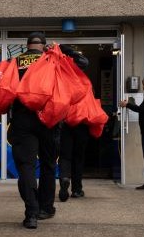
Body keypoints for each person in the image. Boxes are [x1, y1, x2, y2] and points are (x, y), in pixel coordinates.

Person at [10, 32, 57, 229]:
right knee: (48, 164)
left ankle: (31, 214)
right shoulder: (53, 60)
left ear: (26, 46)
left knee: (26, 167)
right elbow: (82, 64)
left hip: (22, 120)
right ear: (44, 45)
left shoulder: (14, 62)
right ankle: (46, 208)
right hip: (49, 119)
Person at [57, 44, 90, 202]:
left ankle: (64, 178)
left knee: (65, 155)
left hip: (64, 121)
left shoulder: (57, 70)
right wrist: (66, 48)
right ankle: (77, 189)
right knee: (79, 156)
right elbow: (84, 61)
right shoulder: (79, 73)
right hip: (82, 120)